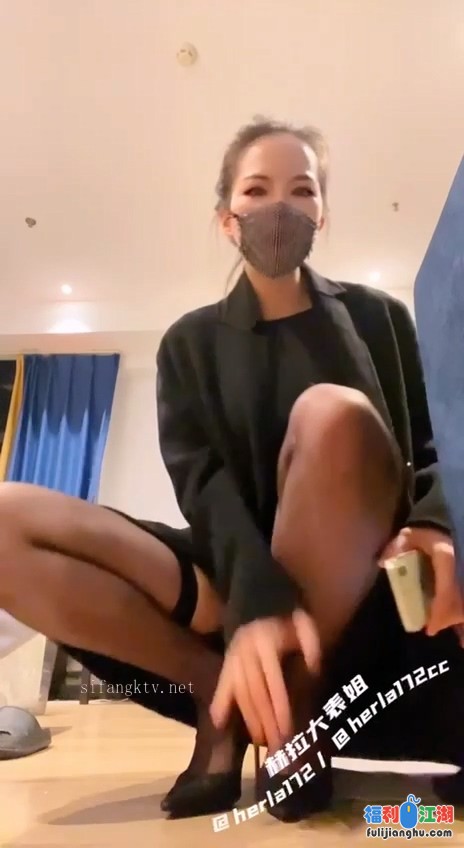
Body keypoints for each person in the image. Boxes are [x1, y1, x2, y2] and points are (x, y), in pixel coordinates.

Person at [1, 118, 464, 823]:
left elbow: (433, 449)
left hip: (371, 594)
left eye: (301, 190)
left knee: (332, 415)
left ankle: (295, 700)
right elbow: (205, 491)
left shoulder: (380, 319)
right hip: (235, 573)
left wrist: (435, 527)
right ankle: (216, 694)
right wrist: (256, 604)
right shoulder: (188, 344)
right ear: (226, 217)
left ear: (322, 214)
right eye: (257, 189)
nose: (280, 206)